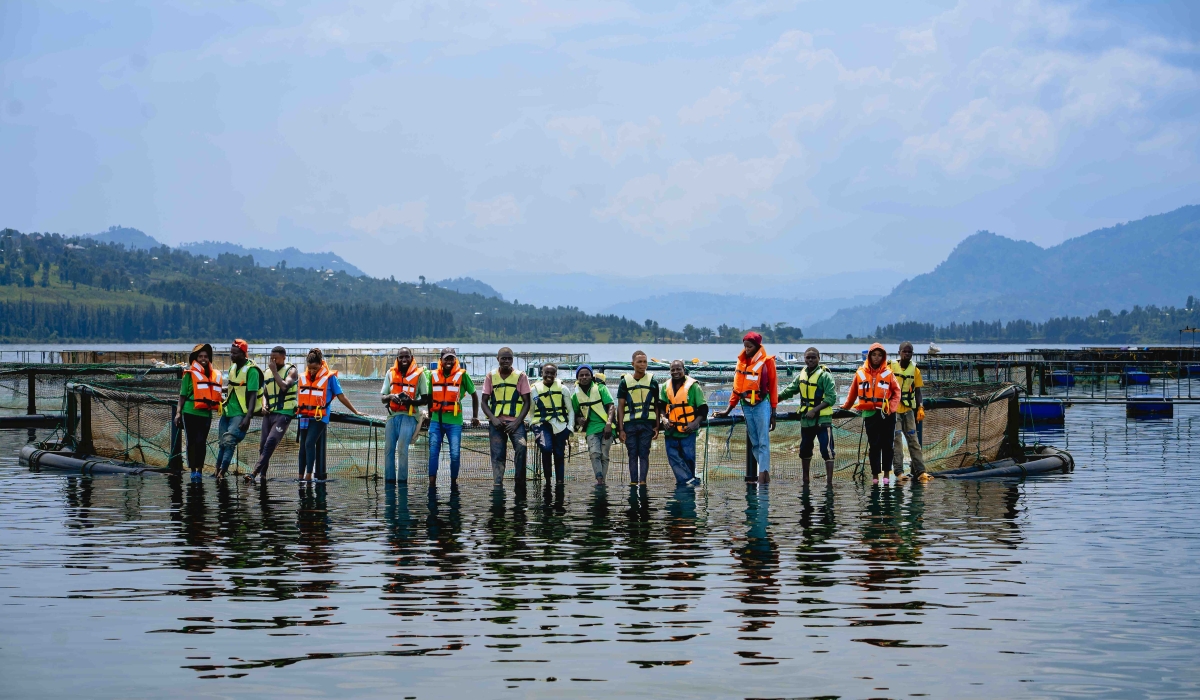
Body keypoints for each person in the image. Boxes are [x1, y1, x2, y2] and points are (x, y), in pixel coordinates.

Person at [714, 332, 778, 485]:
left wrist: (773, 412)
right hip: (746, 406)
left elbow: (774, 387)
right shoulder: (742, 363)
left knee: (763, 441)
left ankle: (762, 476)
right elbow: (737, 389)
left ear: (757, 346)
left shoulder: (767, 362)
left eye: (750, 346)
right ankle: (765, 474)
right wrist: (727, 410)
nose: (747, 349)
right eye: (745, 346)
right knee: (755, 442)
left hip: (761, 405)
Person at [297, 348, 362, 481]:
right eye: (309, 368)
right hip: (304, 416)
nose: (312, 371)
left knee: (310, 443)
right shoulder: (303, 377)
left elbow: (341, 396)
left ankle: (309, 476)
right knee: (303, 445)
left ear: (321, 364)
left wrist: (355, 411)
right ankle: (300, 476)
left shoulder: (330, 378)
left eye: (315, 368)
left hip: (320, 416)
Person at [842, 342, 901, 485]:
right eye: (874, 355)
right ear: (869, 356)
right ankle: (875, 476)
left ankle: (886, 476)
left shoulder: (889, 373)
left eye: (880, 355)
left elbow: (897, 393)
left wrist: (891, 408)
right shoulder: (860, 373)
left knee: (887, 444)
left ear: (883, 357)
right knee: (874, 445)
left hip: (886, 414)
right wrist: (846, 406)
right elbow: (852, 393)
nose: (876, 358)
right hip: (869, 414)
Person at [778, 347, 837, 486]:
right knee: (805, 449)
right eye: (808, 358)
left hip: (823, 419)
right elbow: (789, 390)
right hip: (806, 419)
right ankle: (806, 480)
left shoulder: (825, 375)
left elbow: (831, 398)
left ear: (818, 358)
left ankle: (829, 482)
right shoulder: (802, 375)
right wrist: (774, 399)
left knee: (826, 450)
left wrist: (815, 410)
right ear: (804, 359)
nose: (810, 360)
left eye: (813, 357)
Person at [425, 347, 480, 484]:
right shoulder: (433, 375)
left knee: (454, 454)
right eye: (446, 358)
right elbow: (430, 398)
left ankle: (453, 483)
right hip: (436, 421)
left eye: (452, 358)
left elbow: (474, 395)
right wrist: (430, 417)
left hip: (455, 421)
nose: (449, 361)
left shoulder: (462, 375)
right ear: (441, 360)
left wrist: (475, 416)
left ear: (455, 359)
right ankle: (432, 484)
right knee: (433, 453)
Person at [480, 347, 531, 487]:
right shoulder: (491, 376)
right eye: (503, 358)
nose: (506, 361)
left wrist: (517, 423)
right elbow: (483, 402)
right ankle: (498, 484)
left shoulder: (521, 376)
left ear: (512, 360)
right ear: (498, 359)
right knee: (497, 454)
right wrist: (493, 419)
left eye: (509, 358)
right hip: (496, 423)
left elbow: (527, 402)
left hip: (516, 423)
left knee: (521, 448)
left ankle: (520, 483)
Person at [248, 345, 297, 482]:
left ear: (284, 358)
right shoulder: (267, 372)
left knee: (271, 442)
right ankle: (263, 476)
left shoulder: (291, 371)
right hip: (270, 414)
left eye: (276, 358)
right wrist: (264, 405)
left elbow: (284, 387)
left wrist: (275, 371)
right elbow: (265, 392)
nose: (273, 361)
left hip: (284, 413)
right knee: (263, 445)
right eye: (271, 358)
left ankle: (254, 473)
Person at [214, 339, 260, 479]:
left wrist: (248, 417)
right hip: (229, 409)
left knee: (229, 441)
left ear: (243, 354)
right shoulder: (232, 369)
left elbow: (253, 395)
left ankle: (222, 472)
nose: (231, 356)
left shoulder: (251, 371)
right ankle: (216, 471)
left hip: (241, 411)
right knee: (222, 442)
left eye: (235, 353)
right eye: (231, 353)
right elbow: (231, 388)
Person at [380, 347, 427, 484]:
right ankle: (389, 482)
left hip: (409, 416)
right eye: (401, 357)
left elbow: (425, 399)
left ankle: (402, 483)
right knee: (388, 449)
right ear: (397, 359)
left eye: (407, 357)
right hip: (393, 416)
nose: (404, 359)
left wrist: (411, 401)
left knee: (402, 447)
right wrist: (390, 396)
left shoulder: (419, 375)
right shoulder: (390, 373)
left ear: (411, 357)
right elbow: (382, 397)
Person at [175, 343, 220, 480]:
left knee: (201, 442)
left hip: (205, 414)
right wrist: (178, 413)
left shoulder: (213, 375)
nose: (203, 359)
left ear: (209, 358)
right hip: (189, 412)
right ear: (196, 358)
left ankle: (199, 470)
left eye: (206, 356)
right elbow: (182, 395)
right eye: (200, 356)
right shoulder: (189, 375)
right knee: (192, 442)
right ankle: (193, 470)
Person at [660, 360, 708, 487]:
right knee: (673, 457)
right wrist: (664, 419)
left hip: (688, 430)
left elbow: (703, 408)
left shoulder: (694, 386)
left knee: (689, 458)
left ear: (683, 369)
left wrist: (695, 423)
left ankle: (687, 488)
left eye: (678, 369)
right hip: (670, 430)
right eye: (673, 370)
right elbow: (661, 406)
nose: (675, 372)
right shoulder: (665, 386)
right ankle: (690, 481)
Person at [615, 350, 659, 485]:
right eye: (639, 362)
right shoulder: (624, 383)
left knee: (644, 453)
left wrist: (657, 425)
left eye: (645, 361)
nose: (643, 364)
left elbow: (657, 405)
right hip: (630, 425)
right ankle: (634, 482)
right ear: (632, 363)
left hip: (647, 424)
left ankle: (643, 482)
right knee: (632, 453)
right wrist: (620, 429)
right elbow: (620, 407)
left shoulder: (653, 382)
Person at [889, 341, 930, 482]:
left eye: (910, 352)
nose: (907, 354)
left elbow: (918, 391)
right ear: (899, 352)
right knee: (897, 440)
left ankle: (921, 471)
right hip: (893, 411)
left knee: (913, 440)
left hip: (908, 410)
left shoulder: (915, 370)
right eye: (904, 351)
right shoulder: (890, 367)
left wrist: (920, 406)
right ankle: (899, 472)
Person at [528, 363, 574, 483]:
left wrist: (570, 428)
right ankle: (547, 479)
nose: (549, 375)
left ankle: (560, 482)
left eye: (552, 373)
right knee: (546, 448)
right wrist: (531, 424)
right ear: (541, 373)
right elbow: (531, 410)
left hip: (560, 426)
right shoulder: (534, 391)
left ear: (556, 375)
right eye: (546, 373)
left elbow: (570, 410)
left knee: (559, 454)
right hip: (541, 424)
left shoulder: (563, 389)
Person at [572, 364, 614, 485]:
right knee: (594, 453)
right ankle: (599, 479)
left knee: (604, 455)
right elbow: (572, 413)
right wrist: (578, 418)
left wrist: (609, 424)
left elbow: (611, 406)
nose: (584, 377)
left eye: (587, 375)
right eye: (581, 375)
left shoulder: (601, 388)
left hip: (607, 427)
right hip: (591, 429)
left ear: (591, 376)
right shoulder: (575, 395)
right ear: (577, 377)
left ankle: (601, 482)